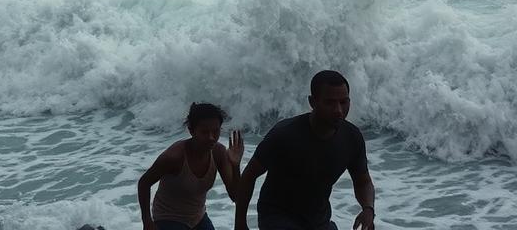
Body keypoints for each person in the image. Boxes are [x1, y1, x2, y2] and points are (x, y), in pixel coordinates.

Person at [234, 71, 375, 230]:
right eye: (329, 102)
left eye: (344, 102)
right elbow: (249, 176)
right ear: (312, 102)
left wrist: (368, 209)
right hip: (277, 217)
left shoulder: (352, 137)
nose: (338, 110)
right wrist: (240, 224)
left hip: (318, 220)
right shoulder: (284, 134)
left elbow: (363, 181)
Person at [138, 102, 244, 230]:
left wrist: (235, 165)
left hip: (198, 218)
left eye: (216, 131)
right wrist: (147, 222)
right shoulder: (174, 157)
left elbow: (235, 196)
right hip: (168, 217)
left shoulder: (218, 153)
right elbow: (144, 183)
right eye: (205, 132)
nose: (211, 137)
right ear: (191, 131)